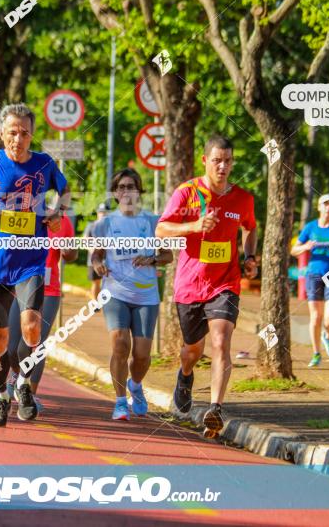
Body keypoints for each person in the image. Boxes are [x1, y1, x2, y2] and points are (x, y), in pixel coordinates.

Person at [0, 103, 69, 427]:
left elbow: (65, 190)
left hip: (31, 259)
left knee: (32, 327)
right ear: (1, 133)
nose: (17, 139)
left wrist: (57, 210)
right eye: (12, 132)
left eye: (24, 133)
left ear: (31, 134)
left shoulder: (44, 164)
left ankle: (24, 385)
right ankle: (1, 397)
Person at [155, 136, 258, 438]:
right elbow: (161, 229)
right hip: (189, 285)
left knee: (220, 341)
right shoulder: (186, 193)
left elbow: (250, 228)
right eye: (217, 160)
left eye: (228, 160)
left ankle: (215, 409)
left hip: (225, 282)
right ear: (205, 161)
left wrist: (249, 255)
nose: (223, 166)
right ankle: (185, 375)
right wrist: (193, 226)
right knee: (191, 350)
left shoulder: (242, 199)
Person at [91, 168, 172, 421]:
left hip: (146, 295)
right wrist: (97, 264)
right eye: (122, 187)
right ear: (116, 193)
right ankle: (119, 402)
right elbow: (96, 254)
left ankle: (135, 385)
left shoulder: (153, 221)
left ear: (139, 191)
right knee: (120, 345)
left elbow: (168, 255)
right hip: (115, 291)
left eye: (132, 187)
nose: (127, 192)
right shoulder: (105, 223)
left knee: (142, 355)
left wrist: (152, 259)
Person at [6, 210, 77, 413]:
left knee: (37, 346)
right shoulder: (22, 215)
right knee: (12, 347)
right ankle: (17, 377)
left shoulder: (63, 222)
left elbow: (72, 255)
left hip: (48, 291)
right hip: (21, 286)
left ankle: (29, 396)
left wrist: (67, 250)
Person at [291, 193, 329, 367]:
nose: (328, 208)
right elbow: (294, 250)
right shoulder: (310, 228)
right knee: (316, 316)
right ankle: (316, 353)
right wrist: (306, 247)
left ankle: (328, 336)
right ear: (319, 207)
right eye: (325, 204)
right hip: (314, 274)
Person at [84, 203, 109, 301]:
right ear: (98, 213)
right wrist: (94, 253)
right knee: (96, 282)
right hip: (93, 260)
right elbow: (85, 241)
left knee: (107, 283)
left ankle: (103, 303)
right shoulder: (91, 225)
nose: (102, 214)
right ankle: (95, 303)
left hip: (108, 260)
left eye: (104, 213)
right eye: (100, 212)